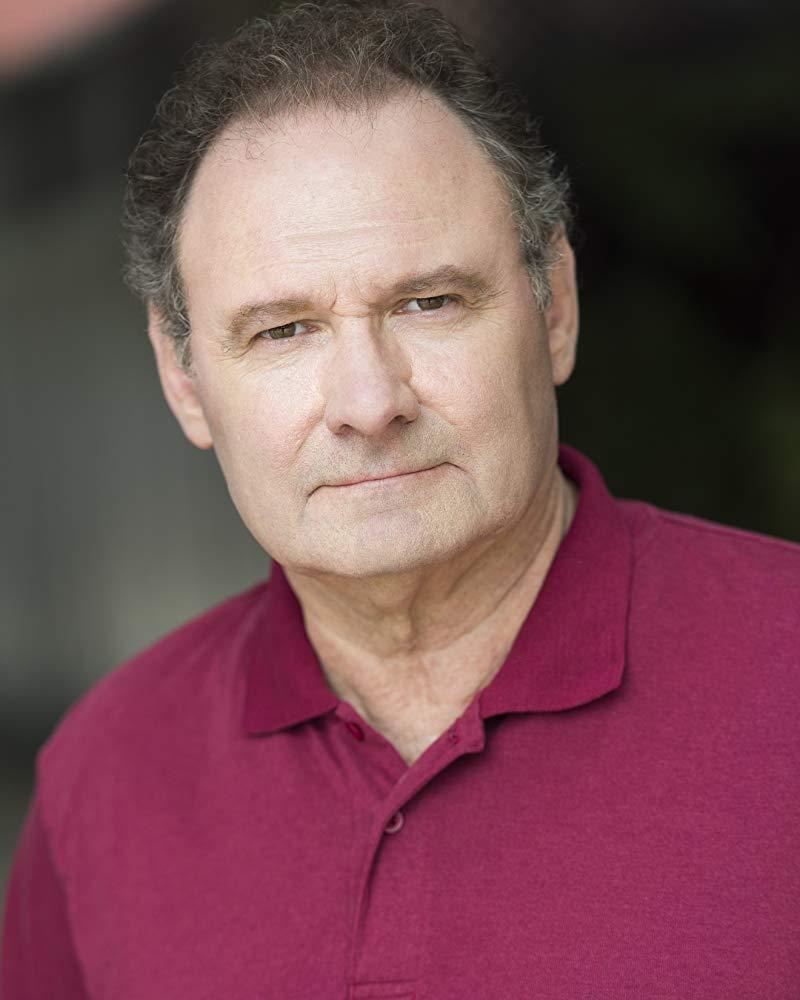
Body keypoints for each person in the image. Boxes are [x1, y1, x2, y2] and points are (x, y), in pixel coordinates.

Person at [2, 1, 799, 996]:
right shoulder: (105, 777)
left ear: (554, 305)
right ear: (184, 376)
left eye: (428, 303)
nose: (369, 403)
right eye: (282, 330)